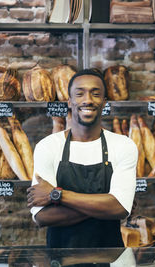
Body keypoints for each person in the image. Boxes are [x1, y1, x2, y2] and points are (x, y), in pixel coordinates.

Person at [27, 69, 138, 248]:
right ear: (70, 102)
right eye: (79, 94)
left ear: (104, 102)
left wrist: (56, 194)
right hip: (60, 259)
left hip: (108, 258)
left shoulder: (123, 145)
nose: (87, 100)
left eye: (95, 94)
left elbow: (120, 209)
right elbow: (41, 217)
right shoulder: (48, 146)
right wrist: (106, 203)